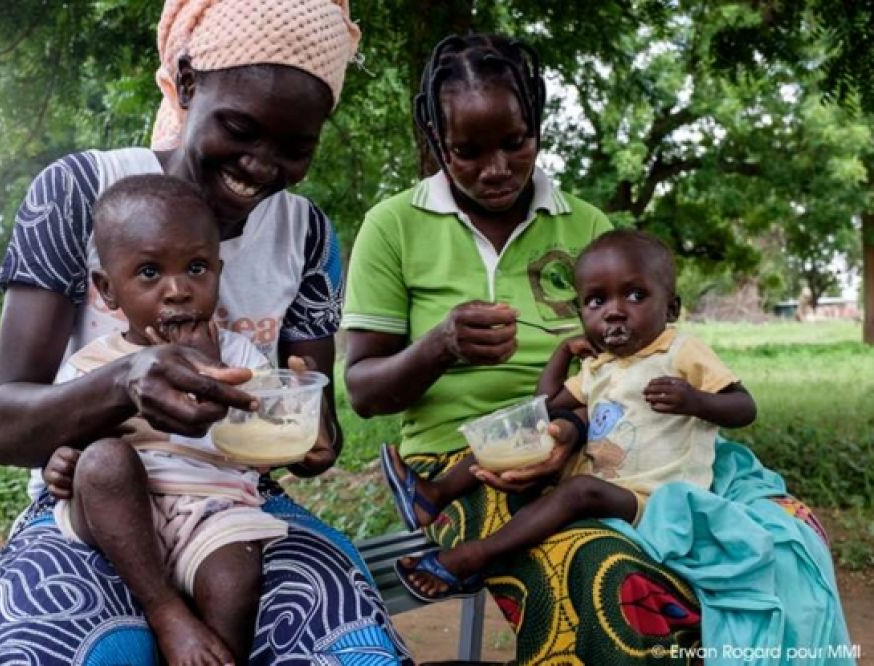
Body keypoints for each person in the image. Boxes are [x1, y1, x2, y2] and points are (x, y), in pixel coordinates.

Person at [0, 2, 411, 664]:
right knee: (59, 647)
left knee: (346, 643)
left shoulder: (308, 235)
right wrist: (126, 381)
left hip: (230, 500)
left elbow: (311, 414)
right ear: (185, 82)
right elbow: (5, 427)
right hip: (92, 505)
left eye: (296, 149)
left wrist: (315, 438)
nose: (261, 167)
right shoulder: (80, 197)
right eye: (240, 128)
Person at [343, 33, 839, 663]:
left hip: (602, 444)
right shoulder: (394, 225)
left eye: (515, 143)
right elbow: (361, 391)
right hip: (464, 460)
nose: (495, 168)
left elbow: (618, 368)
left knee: (781, 535)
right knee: (603, 570)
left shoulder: (588, 227)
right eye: (466, 152)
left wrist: (566, 438)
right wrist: (439, 347)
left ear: (539, 127)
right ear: (437, 141)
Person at [380, 229, 757, 601]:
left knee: (578, 491)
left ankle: (474, 556)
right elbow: (546, 407)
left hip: (656, 501)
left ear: (671, 308)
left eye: (635, 295)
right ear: (581, 312)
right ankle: (434, 494)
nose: (614, 312)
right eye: (596, 301)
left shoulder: (681, 352)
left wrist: (695, 400)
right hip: (602, 481)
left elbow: (743, 407)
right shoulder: (600, 367)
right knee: (521, 433)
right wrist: (562, 353)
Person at [43, 174, 300, 666]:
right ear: (107, 289)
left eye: (197, 268)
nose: (179, 290)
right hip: (118, 514)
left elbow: (273, 433)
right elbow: (65, 445)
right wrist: (62, 462)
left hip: (211, 507)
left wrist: (286, 411)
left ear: (218, 274)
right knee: (104, 461)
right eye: (148, 274)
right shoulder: (94, 367)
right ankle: (166, 615)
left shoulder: (241, 356)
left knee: (235, 580)